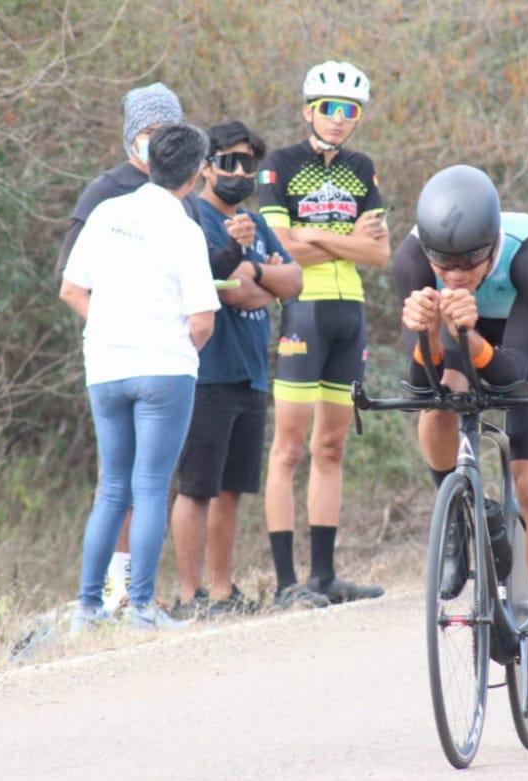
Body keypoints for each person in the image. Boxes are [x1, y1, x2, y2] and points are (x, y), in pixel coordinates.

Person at [394, 164, 528, 706]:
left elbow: (515, 370)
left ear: (493, 244)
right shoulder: (410, 261)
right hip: (460, 335)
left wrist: (470, 335)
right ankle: (459, 518)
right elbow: (419, 380)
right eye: (442, 262)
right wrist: (425, 335)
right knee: (437, 405)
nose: (456, 273)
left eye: (471, 260)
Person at [59, 123, 219, 632]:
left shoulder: (106, 213)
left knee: (111, 487)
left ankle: (88, 606)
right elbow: (202, 321)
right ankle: (142, 607)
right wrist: (171, 348)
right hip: (164, 367)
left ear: (147, 163)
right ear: (196, 175)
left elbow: (71, 289)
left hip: (105, 365)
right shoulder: (185, 230)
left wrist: (114, 331)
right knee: (150, 487)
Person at [257, 61, 392, 608]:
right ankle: (287, 583)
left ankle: (324, 578)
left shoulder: (364, 168)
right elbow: (280, 246)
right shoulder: (280, 165)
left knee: (331, 446)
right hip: (302, 310)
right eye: (329, 109)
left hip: (348, 311)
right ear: (308, 110)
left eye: (350, 111)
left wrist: (312, 234)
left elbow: (380, 253)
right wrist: (342, 236)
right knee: (288, 449)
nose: (339, 119)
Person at [170, 121, 302, 619]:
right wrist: (252, 277)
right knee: (197, 486)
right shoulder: (193, 219)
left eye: (249, 163)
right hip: (208, 372)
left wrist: (257, 270)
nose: (240, 171)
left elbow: (293, 280)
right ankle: (190, 595)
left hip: (251, 372)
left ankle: (223, 591)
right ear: (205, 166)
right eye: (229, 162)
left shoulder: (257, 222)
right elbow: (233, 290)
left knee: (231, 489)